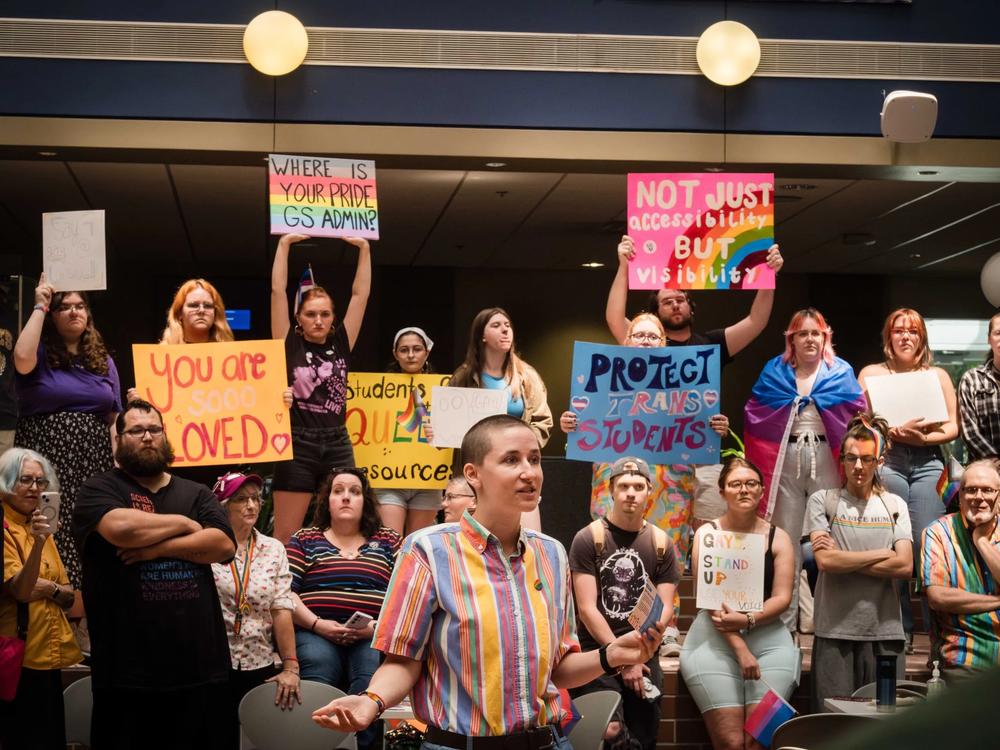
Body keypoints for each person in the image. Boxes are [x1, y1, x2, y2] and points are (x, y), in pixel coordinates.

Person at [310, 415, 665, 744]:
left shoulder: (552, 554)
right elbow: (404, 661)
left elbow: (556, 671)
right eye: (511, 460)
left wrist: (611, 655)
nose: (529, 472)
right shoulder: (428, 551)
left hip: (547, 741)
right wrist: (370, 702)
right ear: (473, 474)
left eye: (535, 459)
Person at [561, 313, 729, 655]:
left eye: (654, 337)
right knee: (615, 551)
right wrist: (571, 423)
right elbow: (585, 424)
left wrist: (715, 428)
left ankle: (662, 628)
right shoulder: (604, 380)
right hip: (618, 479)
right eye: (639, 335)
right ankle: (613, 626)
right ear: (627, 341)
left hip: (670, 482)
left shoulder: (690, 383)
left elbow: (700, 435)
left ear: (664, 343)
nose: (646, 342)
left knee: (663, 551)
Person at [72, 399, 237, 750]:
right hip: (126, 673)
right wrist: (182, 524)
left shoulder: (197, 492)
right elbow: (120, 529)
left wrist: (157, 549)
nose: (147, 437)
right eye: (136, 431)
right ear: (118, 441)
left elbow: (222, 545)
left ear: (164, 435)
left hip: (200, 668)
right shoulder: (98, 489)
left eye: (154, 429)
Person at [744, 308, 867, 633]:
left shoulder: (840, 371)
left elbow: (859, 415)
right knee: (784, 537)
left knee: (829, 535)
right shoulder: (775, 370)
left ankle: (832, 620)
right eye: (803, 333)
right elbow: (755, 413)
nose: (810, 339)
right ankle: (782, 624)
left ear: (825, 337)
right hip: (786, 458)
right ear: (792, 339)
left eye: (816, 333)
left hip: (826, 454)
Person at [679, 455, 799, 750]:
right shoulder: (708, 534)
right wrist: (740, 646)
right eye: (735, 484)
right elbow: (709, 599)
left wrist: (748, 620)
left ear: (761, 490)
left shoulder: (778, 537)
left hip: (769, 639)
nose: (743, 489)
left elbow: (782, 598)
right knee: (732, 743)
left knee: (758, 741)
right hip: (714, 640)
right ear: (722, 493)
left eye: (751, 484)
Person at [858, 308, 959, 652]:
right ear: (889, 338)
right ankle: (898, 631)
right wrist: (888, 431)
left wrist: (920, 439)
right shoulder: (871, 374)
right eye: (898, 330)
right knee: (894, 544)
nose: (905, 336)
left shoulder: (938, 374)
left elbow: (952, 428)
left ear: (921, 338)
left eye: (912, 331)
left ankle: (937, 634)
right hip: (890, 460)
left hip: (929, 462)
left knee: (928, 545)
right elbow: (861, 424)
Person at [14, 276, 121, 599]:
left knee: (90, 530)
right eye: (65, 308)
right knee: (48, 528)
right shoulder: (40, 353)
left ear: (88, 314)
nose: (74, 312)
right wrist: (40, 304)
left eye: (80, 306)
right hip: (46, 459)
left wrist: (118, 464)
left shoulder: (103, 361)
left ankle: (88, 613)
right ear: (53, 315)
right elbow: (19, 357)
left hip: (93, 462)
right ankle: (54, 606)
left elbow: (113, 416)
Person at [569, 456, 679, 750]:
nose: (631, 492)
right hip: (597, 649)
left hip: (644, 649)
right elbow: (586, 608)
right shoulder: (588, 538)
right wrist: (621, 656)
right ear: (612, 490)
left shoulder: (661, 543)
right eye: (624, 486)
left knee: (644, 734)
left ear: (649, 492)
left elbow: (665, 605)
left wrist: (640, 653)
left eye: (638, 486)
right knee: (608, 728)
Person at [804, 413, 913, 711]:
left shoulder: (895, 505)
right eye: (851, 458)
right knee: (834, 726)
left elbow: (904, 566)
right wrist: (883, 553)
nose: (858, 466)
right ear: (841, 460)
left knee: (883, 726)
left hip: (886, 633)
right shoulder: (822, 501)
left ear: (879, 461)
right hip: (834, 632)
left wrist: (845, 558)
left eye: (866, 459)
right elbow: (825, 561)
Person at [287, 467, 400, 750]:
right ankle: (317, 744)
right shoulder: (304, 539)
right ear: (327, 501)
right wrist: (317, 624)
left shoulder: (388, 541)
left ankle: (363, 746)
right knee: (319, 663)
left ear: (366, 501)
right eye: (338, 491)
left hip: (373, 633)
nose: (346, 497)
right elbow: (286, 593)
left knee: (370, 672)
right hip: (314, 630)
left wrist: (375, 628)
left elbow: (405, 595)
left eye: (355, 492)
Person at [271, 232, 372, 544]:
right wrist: (284, 245)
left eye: (325, 314)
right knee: (286, 531)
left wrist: (365, 249)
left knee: (348, 523)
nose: (318, 320)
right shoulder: (289, 342)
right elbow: (277, 291)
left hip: (337, 440)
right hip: (297, 441)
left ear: (333, 318)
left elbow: (360, 296)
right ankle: (282, 591)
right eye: (311, 314)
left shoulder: (341, 342)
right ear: (298, 318)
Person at [210, 471, 300, 750]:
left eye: (255, 499)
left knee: (256, 739)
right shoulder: (206, 544)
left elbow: (281, 608)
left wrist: (291, 667)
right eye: (240, 499)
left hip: (258, 661)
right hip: (213, 662)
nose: (251, 505)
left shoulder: (273, 549)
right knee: (215, 737)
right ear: (223, 505)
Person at [0, 448, 81, 750]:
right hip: (16, 657)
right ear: (6, 482)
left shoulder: (42, 527)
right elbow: (21, 591)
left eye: (40, 481)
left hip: (49, 655)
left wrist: (48, 589)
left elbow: (69, 595)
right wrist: (37, 546)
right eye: (25, 480)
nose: (35, 489)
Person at [451, 307, 552, 532]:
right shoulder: (463, 376)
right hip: (477, 471)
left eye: (508, 326)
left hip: (515, 471)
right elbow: (449, 429)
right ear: (482, 335)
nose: (505, 330)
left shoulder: (527, 375)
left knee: (528, 536)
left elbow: (543, 421)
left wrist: (519, 446)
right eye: (496, 326)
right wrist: (438, 430)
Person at [606, 235, 783, 359]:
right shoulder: (645, 342)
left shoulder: (713, 344)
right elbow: (615, 319)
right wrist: (624, 267)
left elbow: (756, 321)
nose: (675, 305)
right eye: (667, 302)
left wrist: (768, 276)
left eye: (680, 300)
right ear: (656, 313)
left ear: (691, 308)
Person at [921, 459, 1000, 681]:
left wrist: (981, 541)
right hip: (964, 660)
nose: (979, 497)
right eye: (971, 490)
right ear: (960, 496)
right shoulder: (938, 533)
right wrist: (996, 601)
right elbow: (938, 597)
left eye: (987, 490)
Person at [377, 327, 442, 535]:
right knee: (392, 542)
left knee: (418, 544)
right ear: (395, 354)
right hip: (388, 479)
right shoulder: (377, 391)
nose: (411, 355)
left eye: (417, 349)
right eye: (404, 350)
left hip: (428, 480)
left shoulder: (443, 390)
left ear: (427, 352)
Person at [958, 311, 1000, 461]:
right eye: (998, 333)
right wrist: (995, 462)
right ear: (989, 339)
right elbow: (969, 431)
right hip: (984, 473)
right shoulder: (971, 379)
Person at [158, 277, 234, 345]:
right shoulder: (162, 353)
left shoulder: (232, 353)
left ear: (215, 314)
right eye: (193, 305)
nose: (201, 310)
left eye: (208, 306)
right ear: (179, 313)